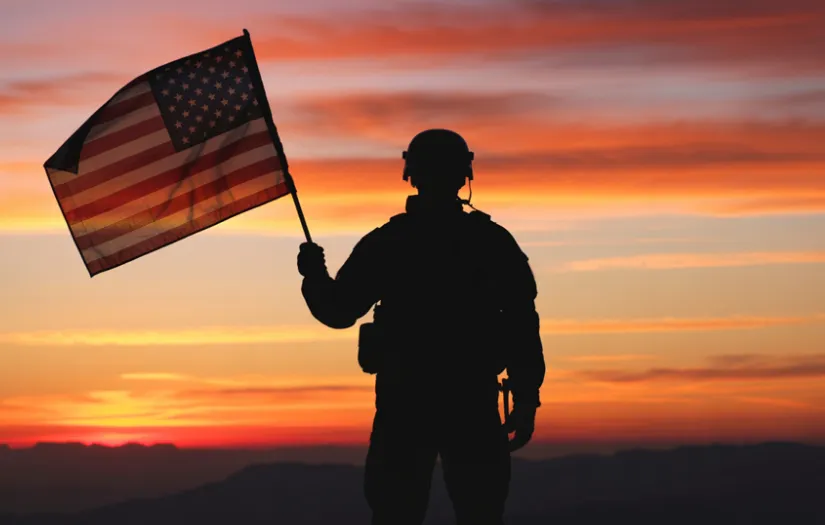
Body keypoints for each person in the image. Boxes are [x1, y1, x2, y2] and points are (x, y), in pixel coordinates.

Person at [297, 129, 545, 525]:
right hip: (469, 400)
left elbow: (339, 311)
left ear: (410, 174)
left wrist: (314, 274)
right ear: (465, 174)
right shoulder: (491, 241)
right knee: (480, 509)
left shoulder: (390, 241)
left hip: (405, 402)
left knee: (396, 510)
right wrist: (526, 398)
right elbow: (521, 326)